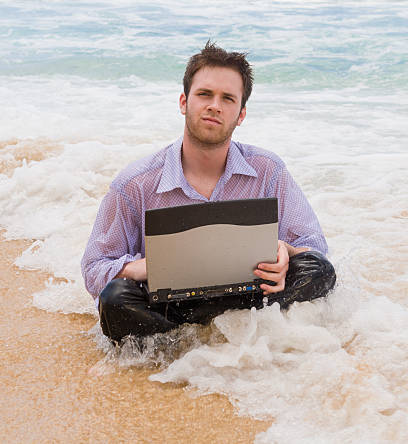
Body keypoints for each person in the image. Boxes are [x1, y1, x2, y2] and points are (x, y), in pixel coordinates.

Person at [81, 42, 336, 344]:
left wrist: (283, 250)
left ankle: (237, 343)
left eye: (227, 98)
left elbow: (314, 247)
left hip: (250, 296)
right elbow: (95, 269)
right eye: (204, 94)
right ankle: (187, 347)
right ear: (183, 102)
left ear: (241, 114)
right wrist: (146, 267)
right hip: (171, 306)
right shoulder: (135, 182)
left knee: (319, 269)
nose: (214, 105)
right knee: (115, 299)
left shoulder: (268, 170)